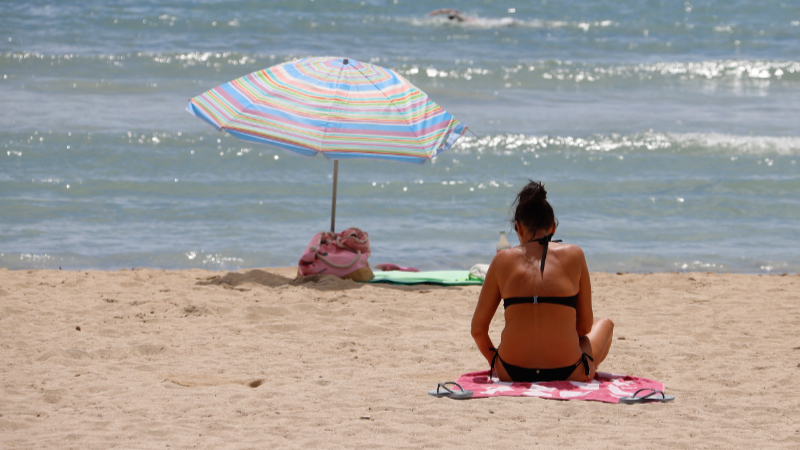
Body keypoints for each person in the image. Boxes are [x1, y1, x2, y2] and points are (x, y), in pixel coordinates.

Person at [471, 181, 614, 382]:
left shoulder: (501, 260)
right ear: (553, 227)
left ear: (518, 228)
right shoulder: (575, 255)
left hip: (510, 371)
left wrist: (495, 362)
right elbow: (583, 328)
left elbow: (478, 329)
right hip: (568, 371)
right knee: (606, 324)